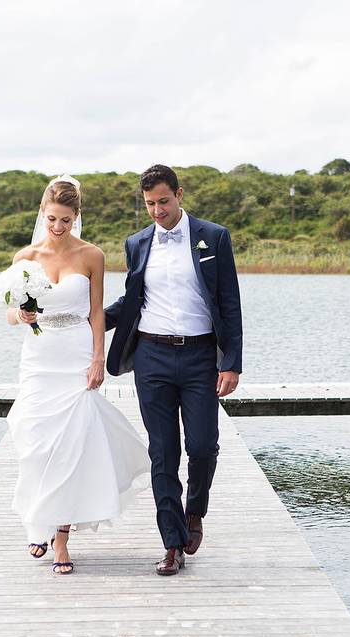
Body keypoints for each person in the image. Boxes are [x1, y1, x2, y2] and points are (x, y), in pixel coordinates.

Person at [5, 175, 150, 575]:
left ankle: (63, 541)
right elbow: (9, 311)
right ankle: (40, 522)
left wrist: (98, 359)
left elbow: (98, 312)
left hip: (76, 355)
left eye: (66, 220)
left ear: (76, 217)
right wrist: (21, 314)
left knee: (72, 446)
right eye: (52, 219)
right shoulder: (25, 258)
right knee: (36, 443)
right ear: (42, 214)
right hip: (38, 358)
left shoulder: (92, 256)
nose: (57, 227)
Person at [105, 164, 243, 576]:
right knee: (162, 453)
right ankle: (171, 543)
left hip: (201, 356)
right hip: (152, 357)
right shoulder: (137, 243)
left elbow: (230, 303)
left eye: (163, 201)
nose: (157, 211)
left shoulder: (214, 237)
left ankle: (194, 512)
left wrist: (232, 362)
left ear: (179, 195)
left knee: (202, 447)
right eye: (149, 204)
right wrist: (82, 314)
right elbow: (131, 302)